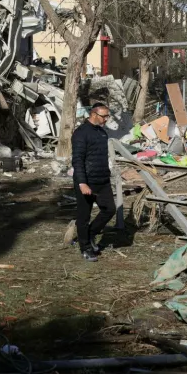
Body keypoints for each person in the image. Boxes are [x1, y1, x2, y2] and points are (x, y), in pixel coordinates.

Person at [70, 102, 116, 262]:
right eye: (104, 116)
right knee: (84, 216)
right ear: (94, 114)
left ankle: (90, 234)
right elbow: (78, 160)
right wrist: (82, 183)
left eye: (107, 116)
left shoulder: (102, 133)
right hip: (86, 181)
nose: (106, 119)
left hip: (102, 180)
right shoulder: (81, 133)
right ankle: (85, 248)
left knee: (109, 209)